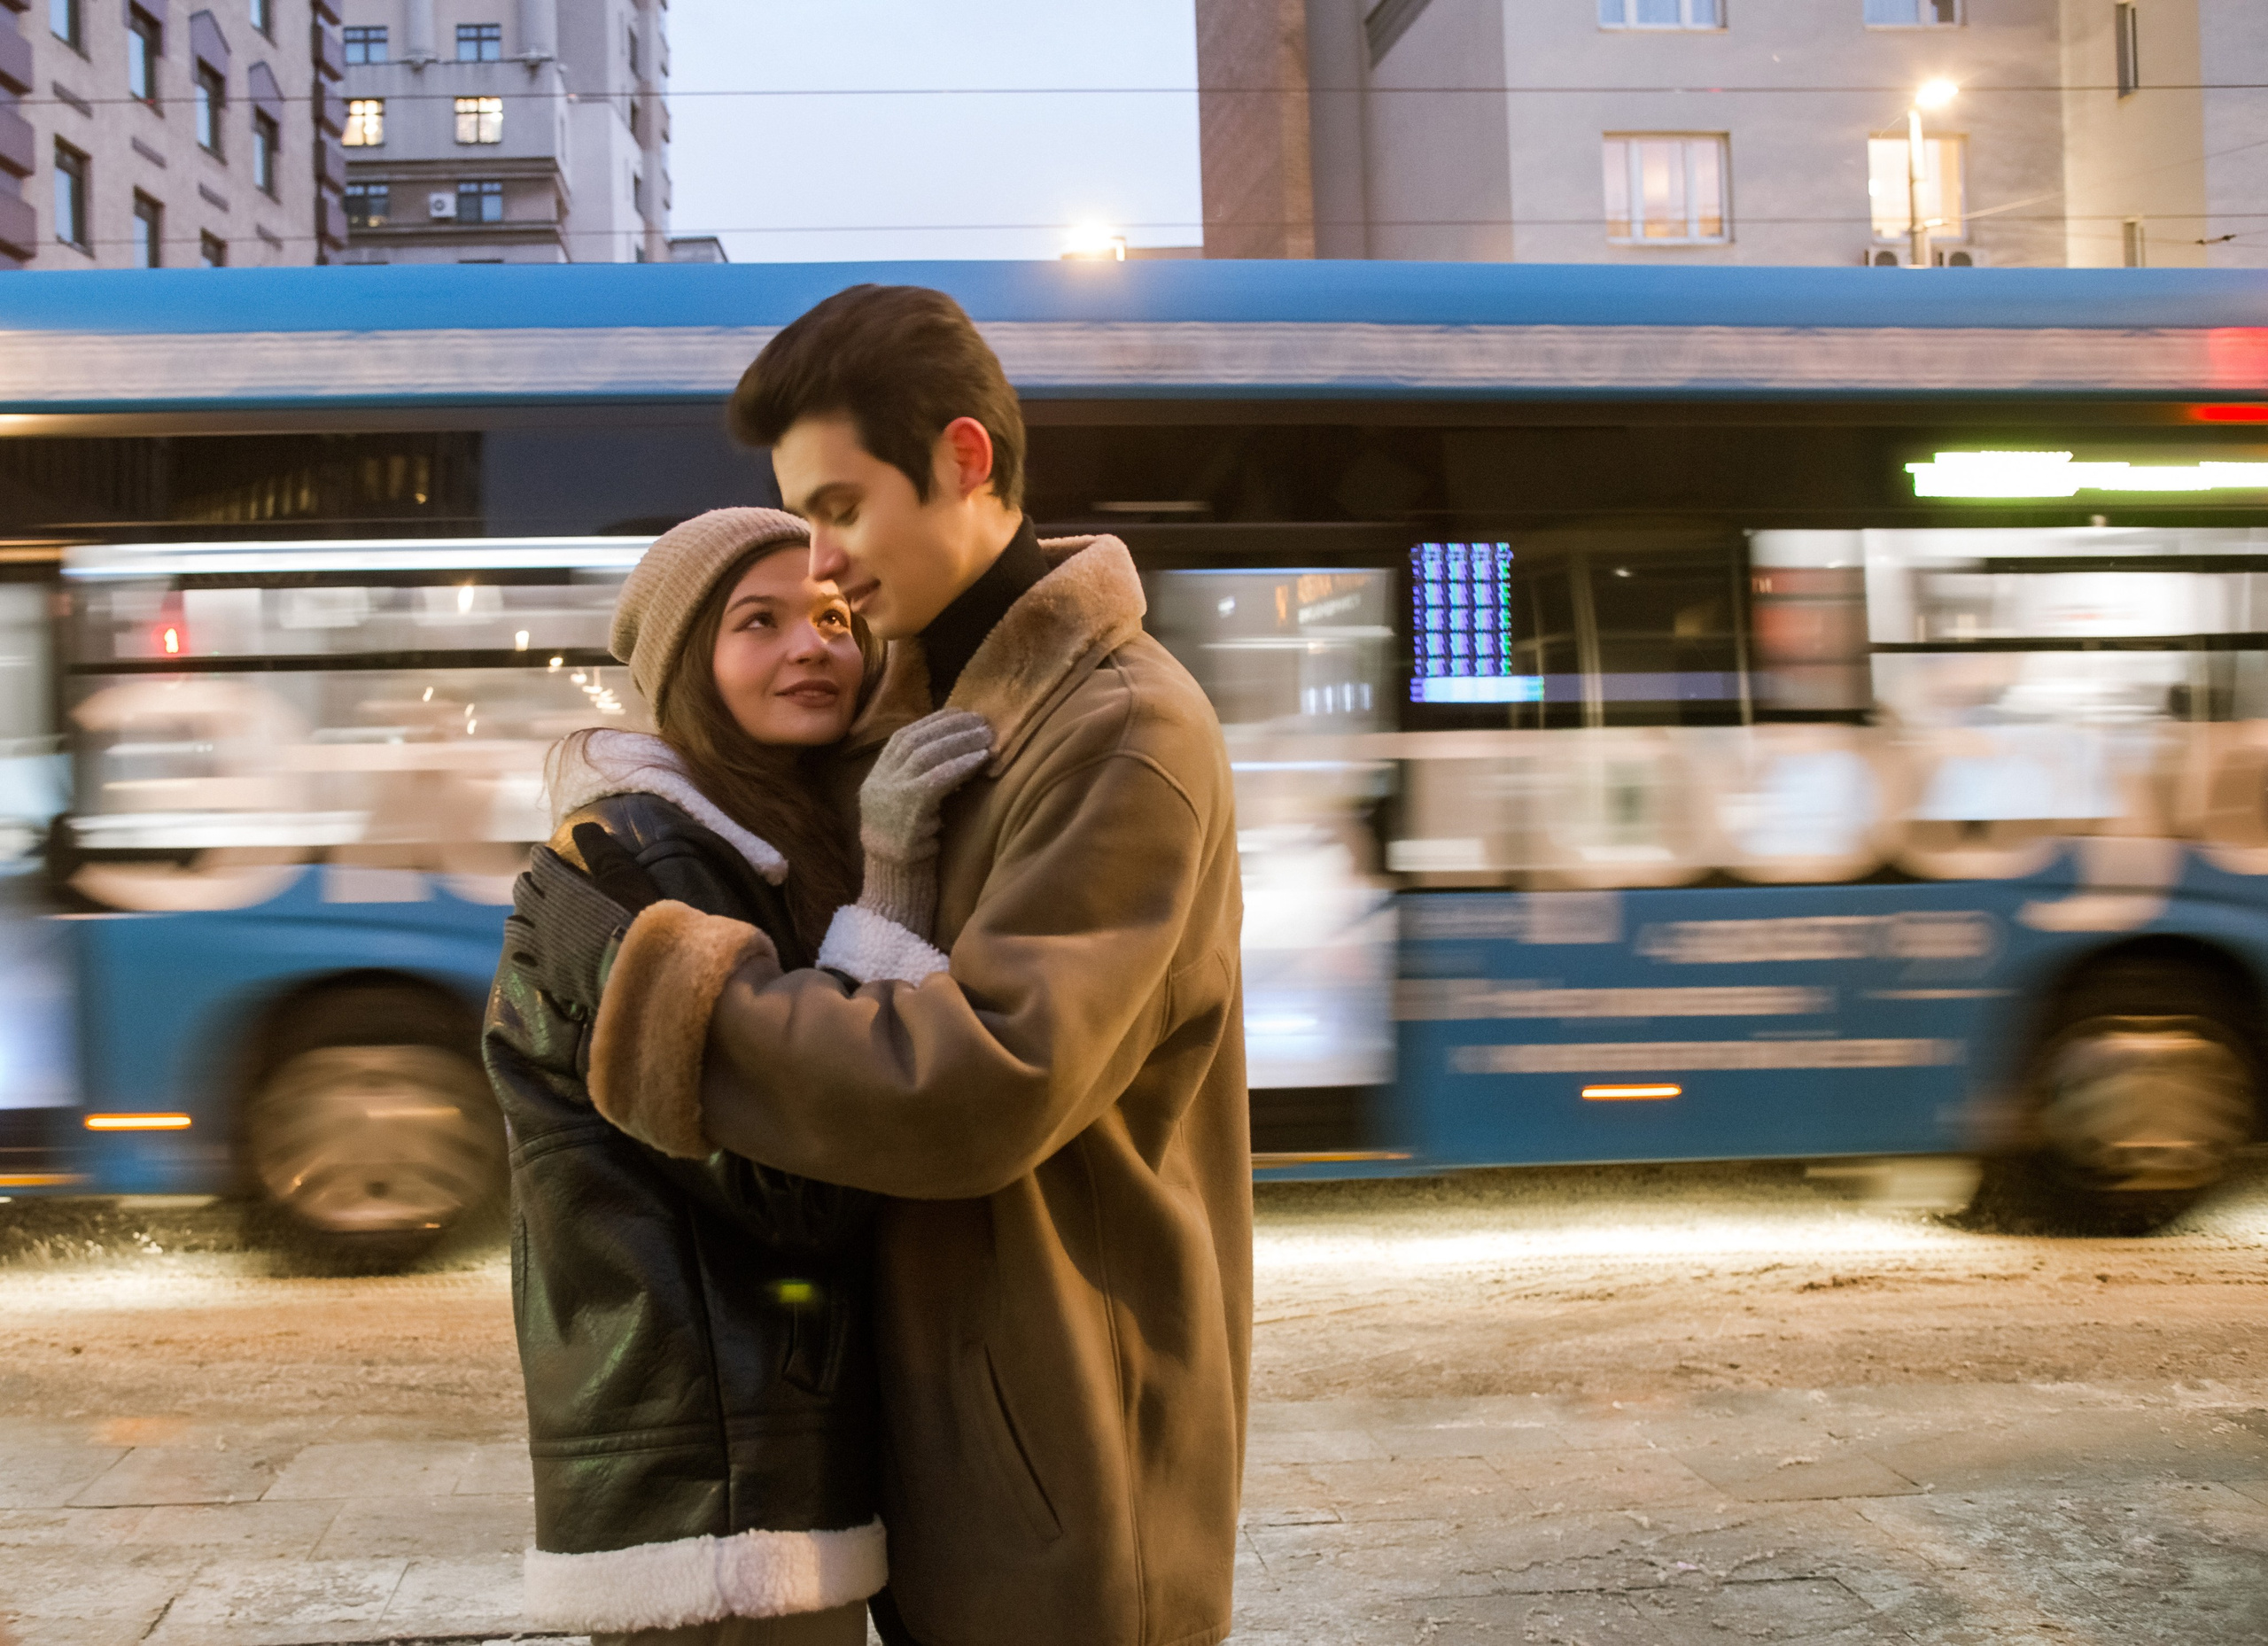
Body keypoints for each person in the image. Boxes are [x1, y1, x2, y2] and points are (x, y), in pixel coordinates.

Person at [512, 285, 1252, 1646]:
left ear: (963, 460)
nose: (825, 567)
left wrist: (665, 995)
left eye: (841, 509)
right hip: (934, 1441)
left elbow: (982, 1081)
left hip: (1064, 1450)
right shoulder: (927, 710)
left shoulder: (1120, 730)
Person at [484, 507, 990, 1646]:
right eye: (758, 622)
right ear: (686, 664)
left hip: (744, 1471)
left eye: (834, 617)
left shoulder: (745, 844)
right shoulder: (642, 860)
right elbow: (797, 1177)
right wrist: (894, 883)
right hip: (716, 1507)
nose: (813, 645)